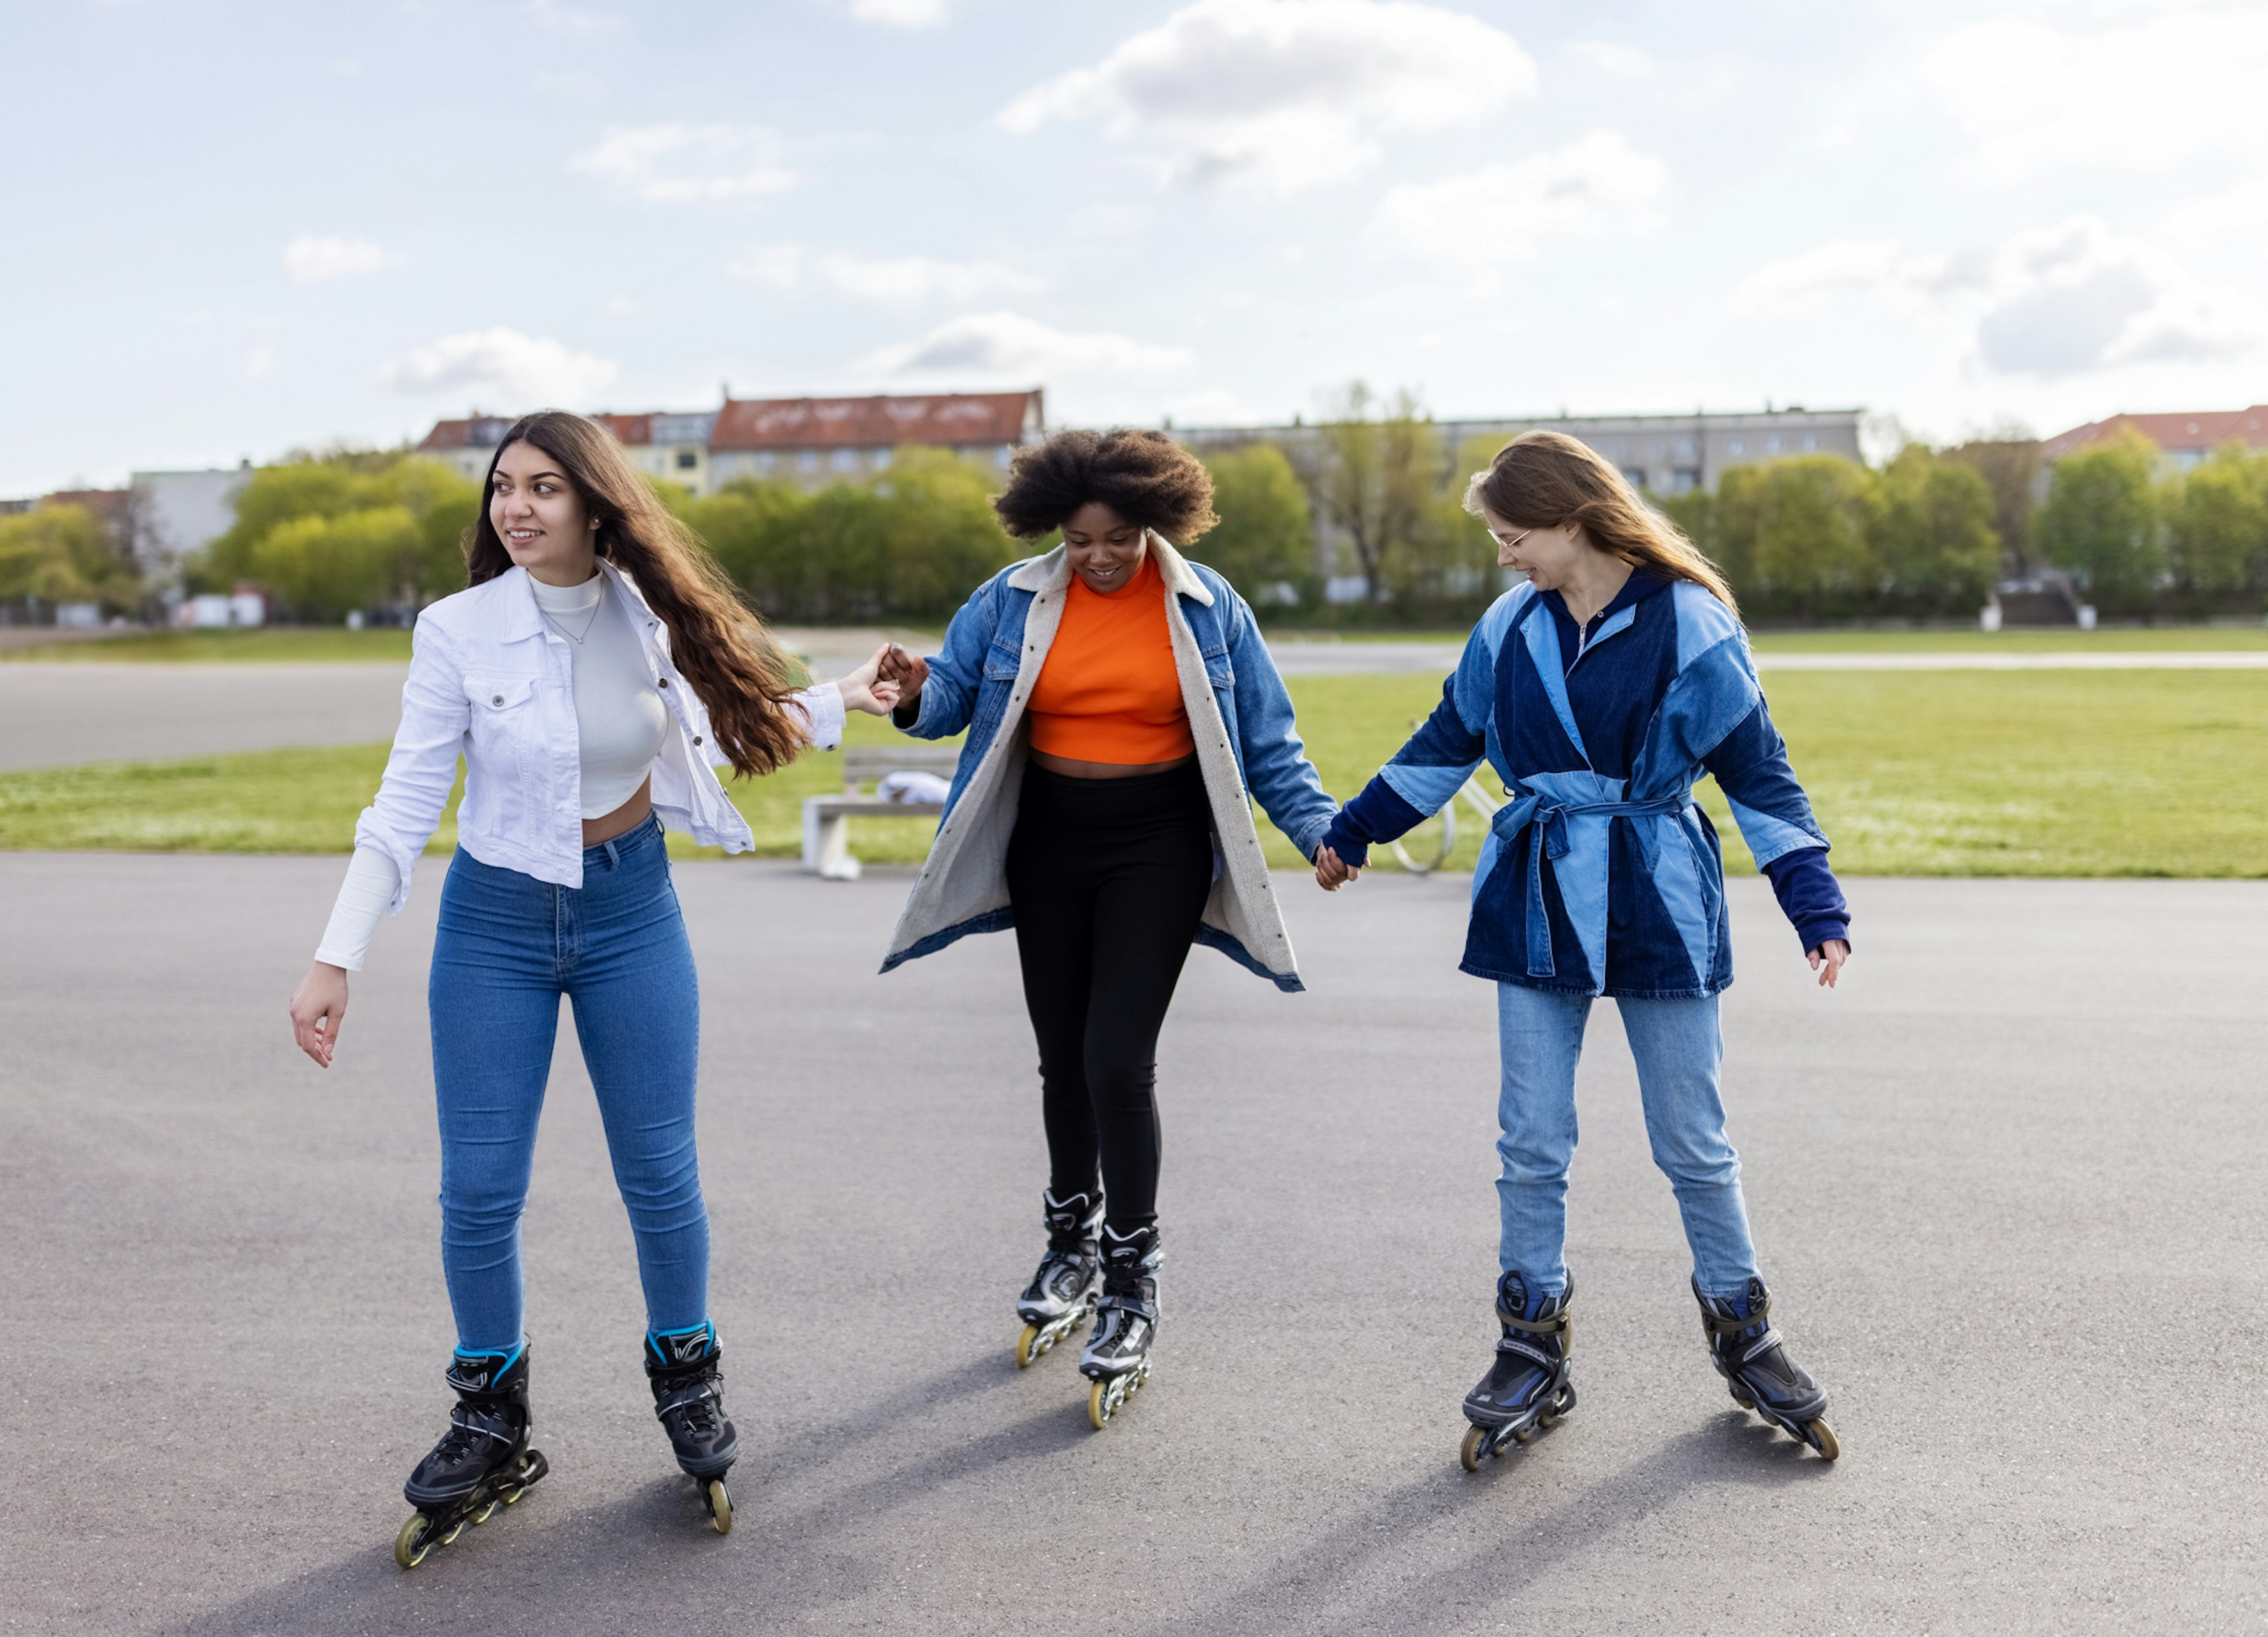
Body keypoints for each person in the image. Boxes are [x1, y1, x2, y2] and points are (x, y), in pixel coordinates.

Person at [284, 411, 900, 1560]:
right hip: (494, 926)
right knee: (478, 1189)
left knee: (660, 1173)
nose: (516, 508)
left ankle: (687, 1378)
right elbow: (403, 804)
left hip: (631, 914)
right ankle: (490, 1414)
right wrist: (337, 954)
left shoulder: (645, 616)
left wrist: (847, 694)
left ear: (594, 503)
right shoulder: (456, 631)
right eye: (502, 488)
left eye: (544, 489)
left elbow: (733, 730)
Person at [1312, 430, 1852, 1470]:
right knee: (1531, 1138)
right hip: (1537, 896)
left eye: (1515, 536)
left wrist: (1812, 898)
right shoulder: (1509, 626)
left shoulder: (1693, 620)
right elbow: (1444, 741)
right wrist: (1355, 827)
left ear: (1573, 520)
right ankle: (1530, 1341)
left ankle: (1748, 1333)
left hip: (1658, 896)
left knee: (1694, 1139)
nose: (1505, 556)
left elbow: (1758, 769)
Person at [874, 428, 1338, 1429]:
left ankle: (1132, 1277)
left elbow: (1270, 741)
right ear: (1054, 528)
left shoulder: (1212, 608)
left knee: (1117, 1059)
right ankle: (1068, 1240)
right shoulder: (1011, 598)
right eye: (1079, 538)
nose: (1098, 556)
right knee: (1060, 1059)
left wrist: (1318, 830)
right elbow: (953, 696)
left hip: (1158, 840)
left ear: (1157, 524)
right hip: (1049, 840)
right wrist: (916, 692)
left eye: (1119, 538)